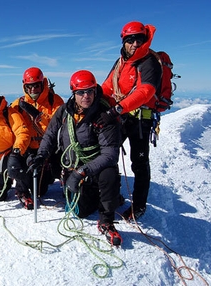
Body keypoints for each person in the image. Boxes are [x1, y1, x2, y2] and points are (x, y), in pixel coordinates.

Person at [29, 70, 123, 246]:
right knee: (79, 212)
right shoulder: (64, 112)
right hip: (71, 164)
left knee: (108, 174)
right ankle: (104, 195)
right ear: (74, 93)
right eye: (81, 92)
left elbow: (110, 155)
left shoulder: (104, 116)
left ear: (95, 91)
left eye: (89, 91)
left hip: (94, 168)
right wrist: (41, 156)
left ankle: (106, 219)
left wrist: (81, 172)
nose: (86, 96)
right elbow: (50, 135)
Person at [98, 21, 162, 220]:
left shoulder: (149, 62)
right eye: (130, 39)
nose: (135, 43)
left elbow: (147, 91)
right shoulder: (121, 63)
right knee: (109, 154)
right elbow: (108, 87)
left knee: (139, 163)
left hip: (140, 120)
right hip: (123, 117)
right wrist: (89, 100)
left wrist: (118, 108)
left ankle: (139, 206)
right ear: (124, 41)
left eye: (139, 39)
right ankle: (114, 195)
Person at [10, 67, 64, 204]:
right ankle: (22, 190)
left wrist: (38, 116)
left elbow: (58, 125)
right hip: (29, 148)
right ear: (25, 87)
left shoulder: (55, 101)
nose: (33, 89)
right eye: (29, 86)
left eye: (36, 86)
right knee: (35, 188)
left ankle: (66, 182)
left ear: (42, 84)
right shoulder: (19, 103)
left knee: (42, 189)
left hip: (49, 148)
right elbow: (8, 122)